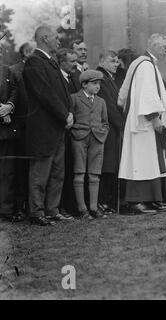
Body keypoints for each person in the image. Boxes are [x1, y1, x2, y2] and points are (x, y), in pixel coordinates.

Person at [118, 33, 166, 215]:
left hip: (145, 120)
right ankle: (136, 201)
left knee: (149, 160)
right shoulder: (145, 65)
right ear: (154, 46)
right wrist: (154, 117)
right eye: (164, 46)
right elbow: (146, 93)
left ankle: (151, 198)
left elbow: (151, 92)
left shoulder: (147, 64)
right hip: (144, 122)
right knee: (141, 160)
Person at [23, 25, 74, 226]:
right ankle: (37, 213)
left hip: (58, 126)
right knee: (40, 172)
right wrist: (65, 114)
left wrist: (68, 113)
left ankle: (52, 210)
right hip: (44, 129)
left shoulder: (49, 62)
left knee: (57, 172)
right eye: (55, 37)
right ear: (44, 38)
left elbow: (62, 91)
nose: (59, 41)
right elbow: (45, 94)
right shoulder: (34, 62)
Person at [70, 70, 109, 219]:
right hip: (79, 138)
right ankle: (82, 209)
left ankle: (93, 208)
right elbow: (70, 118)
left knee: (94, 175)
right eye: (94, 83)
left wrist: (102, 135)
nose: (97, 86)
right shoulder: (74, 98)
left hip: (97, 140)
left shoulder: (101, 101)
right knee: (79, 173)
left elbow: (105, 122)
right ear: (84, 84)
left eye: (99, 83)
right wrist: (75, 133)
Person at [7, 42, 35, 219]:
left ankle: (27, 204)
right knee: (18, 168)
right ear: (26, 53)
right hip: (17, 126)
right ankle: (17, 206)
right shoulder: (15, 71)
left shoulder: (34, 69)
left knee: (31, 167)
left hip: (34, 126)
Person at [96, 50, 125, 214]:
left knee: (111, 165)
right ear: (102, 61)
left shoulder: (108, 79)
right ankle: (103, 202)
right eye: (113, 61)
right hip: (107, 128)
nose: (116, 64)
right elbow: (109, 105)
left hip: (112, 127)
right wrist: (122, 124)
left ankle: (107, 201)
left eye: (117, 61)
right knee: (106, 165)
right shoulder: (101, 77)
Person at [57, 48, 81, 216]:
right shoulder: (58, 78)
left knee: (72, 167)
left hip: (74, 128)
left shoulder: (74, 78)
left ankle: (72, 205)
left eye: (76, 61)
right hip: (62, 128)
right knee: (62, 169)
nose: (75, 64)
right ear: (61, 62)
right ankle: (61, 205)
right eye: (72, 61)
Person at [0, 62, 19, 222]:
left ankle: (6, 210)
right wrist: (1, 110)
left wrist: (9, 106)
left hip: (5, 131)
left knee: (7, 171)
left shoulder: (7, 70)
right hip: (3, 120)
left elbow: (15, 90)